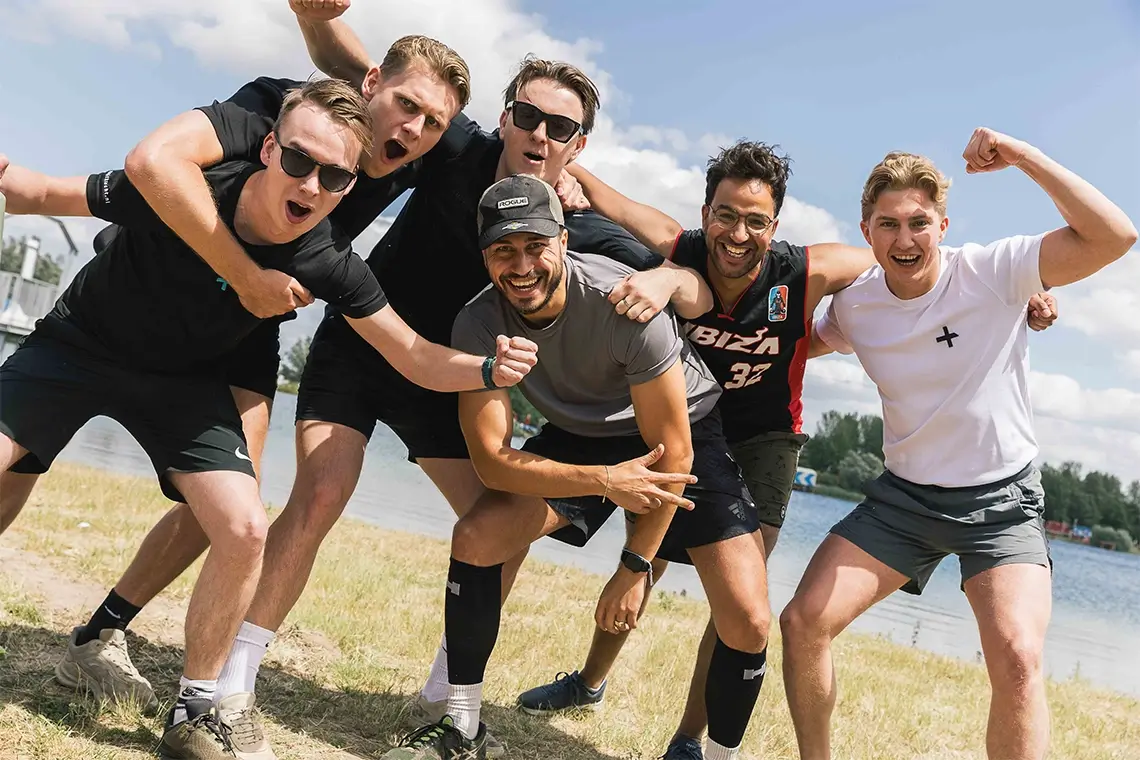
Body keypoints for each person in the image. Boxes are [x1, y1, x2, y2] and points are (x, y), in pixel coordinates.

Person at [0, 78, 536, 760]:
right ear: (269, 147)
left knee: (244, 525)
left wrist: (490, 369)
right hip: (80, 348)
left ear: (350, 186)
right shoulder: (187, 188)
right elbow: (43, 193)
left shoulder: (325, 260)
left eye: (334, 177)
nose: (311, 184)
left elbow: (414, 355)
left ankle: (196, 710)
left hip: (186, 380)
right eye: (299, 161)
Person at [513, 142, 1059, 758]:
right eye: (725, 215)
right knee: (646, 561)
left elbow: (913, 256)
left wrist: (1016, 292)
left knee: (739, 595)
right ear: (705, 213)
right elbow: (615, 203)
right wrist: (565, 170)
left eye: (756, 220)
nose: (737, 233)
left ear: (775, 225)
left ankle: (690, 738)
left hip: (767, 438)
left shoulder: (807, 269)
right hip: (687, 425)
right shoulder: (678, 246)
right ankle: (589, 682)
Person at [382, 174, 770, 760]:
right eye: (503, 250)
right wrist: (605, 482)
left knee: (748, 616)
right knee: (478, 535)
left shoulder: (624, 305)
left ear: (563, 241)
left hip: (684, 431)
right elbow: (492, 464)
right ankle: (461, 726)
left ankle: (719, 755)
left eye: (535, 246)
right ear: (484, 256)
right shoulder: (478, 323)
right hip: (583, 436)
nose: (521, 266)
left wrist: (634, 568)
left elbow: (674, 454)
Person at [779, 128, 1136, 760]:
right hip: (904, 503)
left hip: (1001, 503)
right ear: (866, 233)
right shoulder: (856, 307)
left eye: (919, 222)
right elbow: (796, 344)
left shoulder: (993, 272)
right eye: (888, 225)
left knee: (1019, 658)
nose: (905, 239)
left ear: (943, 225)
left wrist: (1022, 156)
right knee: (802, 622)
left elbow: (1114, 236)